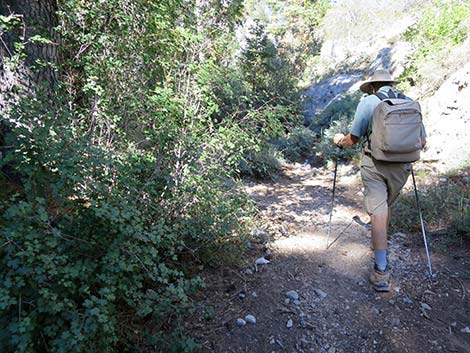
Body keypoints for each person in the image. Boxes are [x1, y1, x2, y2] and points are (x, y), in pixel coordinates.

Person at [332, 69, 426, 292]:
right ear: (391, 83)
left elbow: (352, 139)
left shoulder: (368, 102)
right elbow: (421, 141)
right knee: (385, 207)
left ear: (373, 86)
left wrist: (338, 140)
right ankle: (379, 243)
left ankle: (381, 271)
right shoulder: (410, 102)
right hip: (402, 167)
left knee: (377, 210)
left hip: (374, 164)